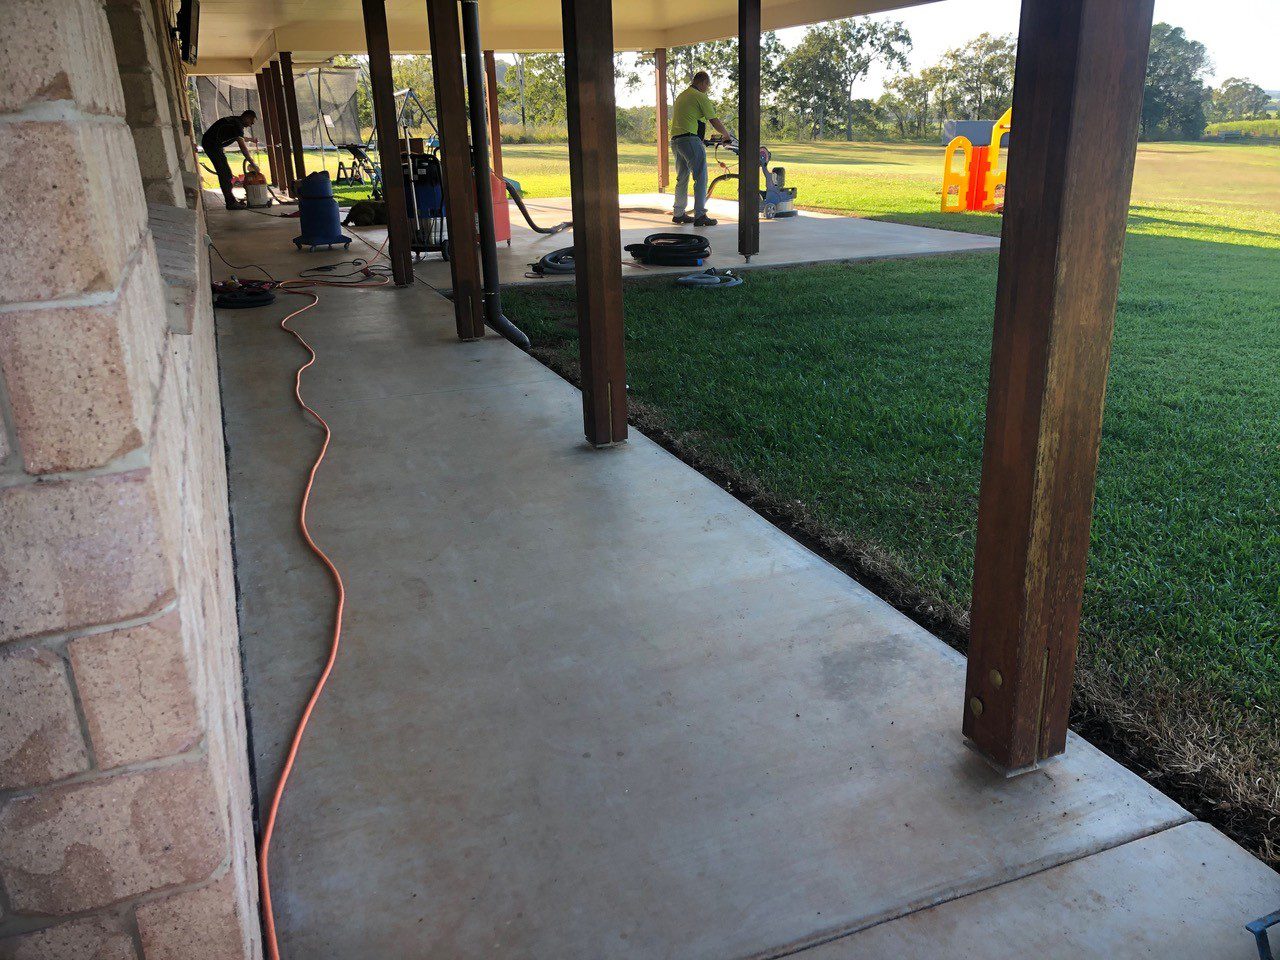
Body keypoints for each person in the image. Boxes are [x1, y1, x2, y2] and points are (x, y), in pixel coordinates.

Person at [670, 72, 733, 227]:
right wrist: (725, 134)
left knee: (682, 177)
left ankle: (678, 214)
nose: (707, 88)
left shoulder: (682, 96)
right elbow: (713, 119)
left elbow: (691, 119)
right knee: (701, 177)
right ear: (703, 82)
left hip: (676, 141)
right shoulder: (699, 96)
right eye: (707, 85)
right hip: (689, 139)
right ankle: (700, 215)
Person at [201, 110, 258, 210]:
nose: (251, 125)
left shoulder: (235, 121)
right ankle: (231, 203)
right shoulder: (237, 125)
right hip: (212, 145)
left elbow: (238, 136)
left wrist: (250, 140)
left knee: (226, 173)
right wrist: (253, 163)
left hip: (212, 143)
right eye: (251, 121)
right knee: (225, 174)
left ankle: (231, 201)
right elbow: (242, 147)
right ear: (247, 117)